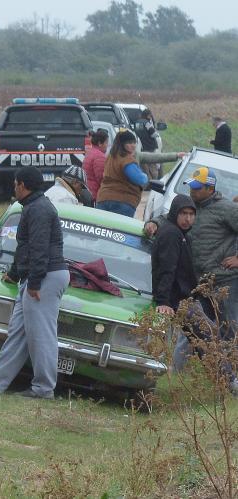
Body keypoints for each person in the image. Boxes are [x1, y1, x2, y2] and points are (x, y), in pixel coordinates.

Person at [0, 166, 69, 399]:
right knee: (18, 333)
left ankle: (43, 389)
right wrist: (15, 273)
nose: (13, 188)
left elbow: (39, 249)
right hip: (37, 276)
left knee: (41, 334)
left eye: (15, 184)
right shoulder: (33, 207)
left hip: (44, 277)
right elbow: (26, 248)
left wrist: (34, 283)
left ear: (22, 185)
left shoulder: (39, 209)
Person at [145, 167, 238, 369]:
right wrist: (153, 222)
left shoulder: (227, 209)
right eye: (191, 187)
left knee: (229, 329)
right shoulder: (189, 207)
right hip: (198, 283)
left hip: (224, 281)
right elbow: (169, 217)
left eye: (196, 188)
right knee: (192, 328)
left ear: (210, 188)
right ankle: (174, 373)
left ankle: (230, 378)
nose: (192, 191)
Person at [96, 130, 149, 217]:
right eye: (129, 143)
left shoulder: (111, 156)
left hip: (103, 198)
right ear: (122, 144)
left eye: (134, 142)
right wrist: (145, 176)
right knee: (119, 230)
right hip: (123, 201)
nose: (133, 145)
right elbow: (140, 179)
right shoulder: (127, 160)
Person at [136, 108, 161, 180]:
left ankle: (147, 183)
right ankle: (154, 183)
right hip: (150, 147)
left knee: (144, 168)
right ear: (147, 115)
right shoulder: (147, 123)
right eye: (150, 116)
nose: (150, 117)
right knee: (153, 167)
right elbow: (153, 134)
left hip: (141, 148)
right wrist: (157, 133)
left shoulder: (137, 122)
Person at [83, 129, 109, 200]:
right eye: (106, 142)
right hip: (95, 194)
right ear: (100, 143)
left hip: (88, 191)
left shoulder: (90, 153)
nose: (107, 145)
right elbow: (101, 178)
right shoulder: (99, 156)